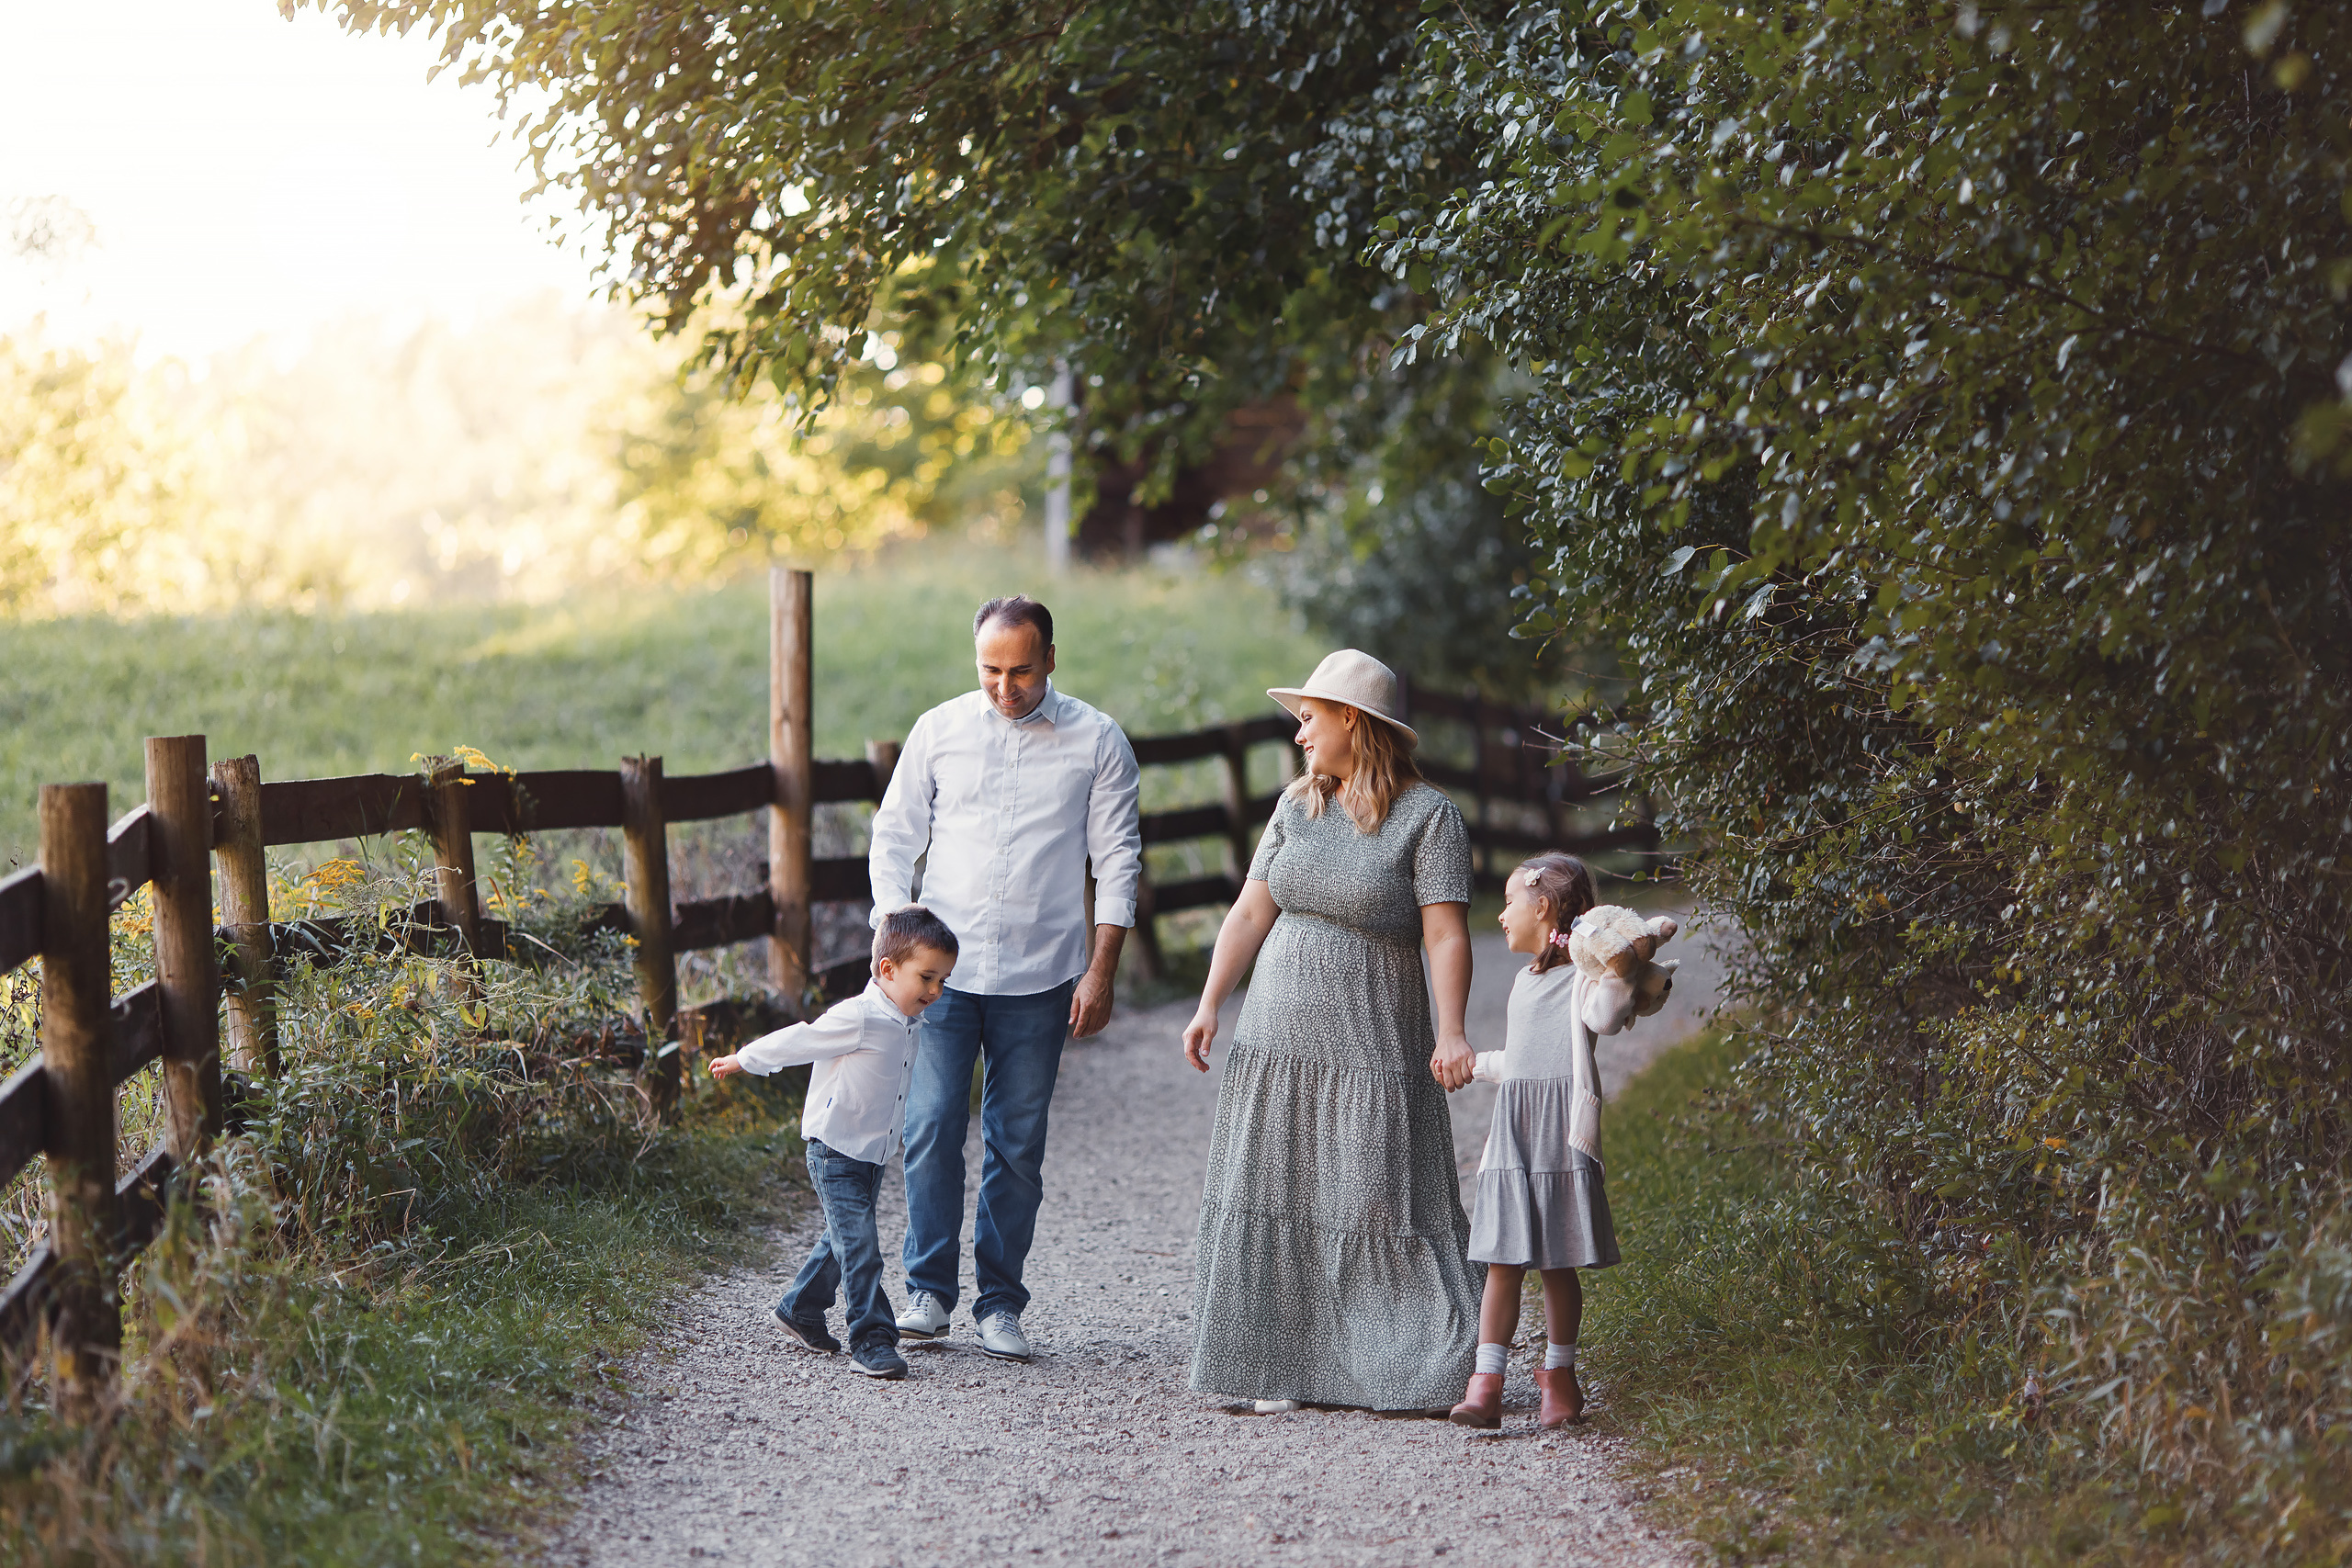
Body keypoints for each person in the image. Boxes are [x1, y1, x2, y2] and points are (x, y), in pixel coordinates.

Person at [1181, 649, 1481, 1414]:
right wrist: (1211, 999)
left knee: (1370, 1194)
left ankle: (1394, 1362)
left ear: (1354, 719)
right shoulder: (1295, 804)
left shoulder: (1428, 816)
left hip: (1373, 1036)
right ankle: (1274, 1364)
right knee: (1277, 1185)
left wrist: (1451, 1030)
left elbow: (1446, 935)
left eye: (1310, 719)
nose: (1300, 735)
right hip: (1277, 1035)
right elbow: (1252, 910)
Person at [868, 595, 1144, 1363]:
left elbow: (1117, 857)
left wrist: (1101, 968)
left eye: (1021, 669)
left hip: (1042, 972)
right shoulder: (940, 730)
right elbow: (895, 835)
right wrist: (894, 933)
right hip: (942, 977)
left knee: (1017, 1144)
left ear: (1051, 658)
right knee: (927, 1128)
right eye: (991, 668)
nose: (1005, 684)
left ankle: (999, 1303)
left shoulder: (1097, 740)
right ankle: (927, 1292)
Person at [708, 905, 960, 1382]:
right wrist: (746, 1058)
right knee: (861, 1245)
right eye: (927, 978)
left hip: (871, 1155)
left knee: (841, 1240)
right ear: (887, 969)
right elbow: (799, 1041)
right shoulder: (860, 1017)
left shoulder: (909, 1019)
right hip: (835, 1150)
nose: (936, 991)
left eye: (943, 980)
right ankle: (871, 1337)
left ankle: (799, 1309)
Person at [1448, 852, 1623, 1431]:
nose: (1501, 916)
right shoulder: (1526, 980)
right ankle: (1487, 1381)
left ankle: (1559, 1375)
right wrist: (1473, 1065)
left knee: (1557, 1262)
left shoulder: (1583, 978)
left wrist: (1620, 965)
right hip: (1514, 1130)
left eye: (1508, 903)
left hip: (1559, 1132)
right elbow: (1521, 1061)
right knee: (1501, 1259)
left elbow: (1608, 1016)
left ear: (1541, 906)